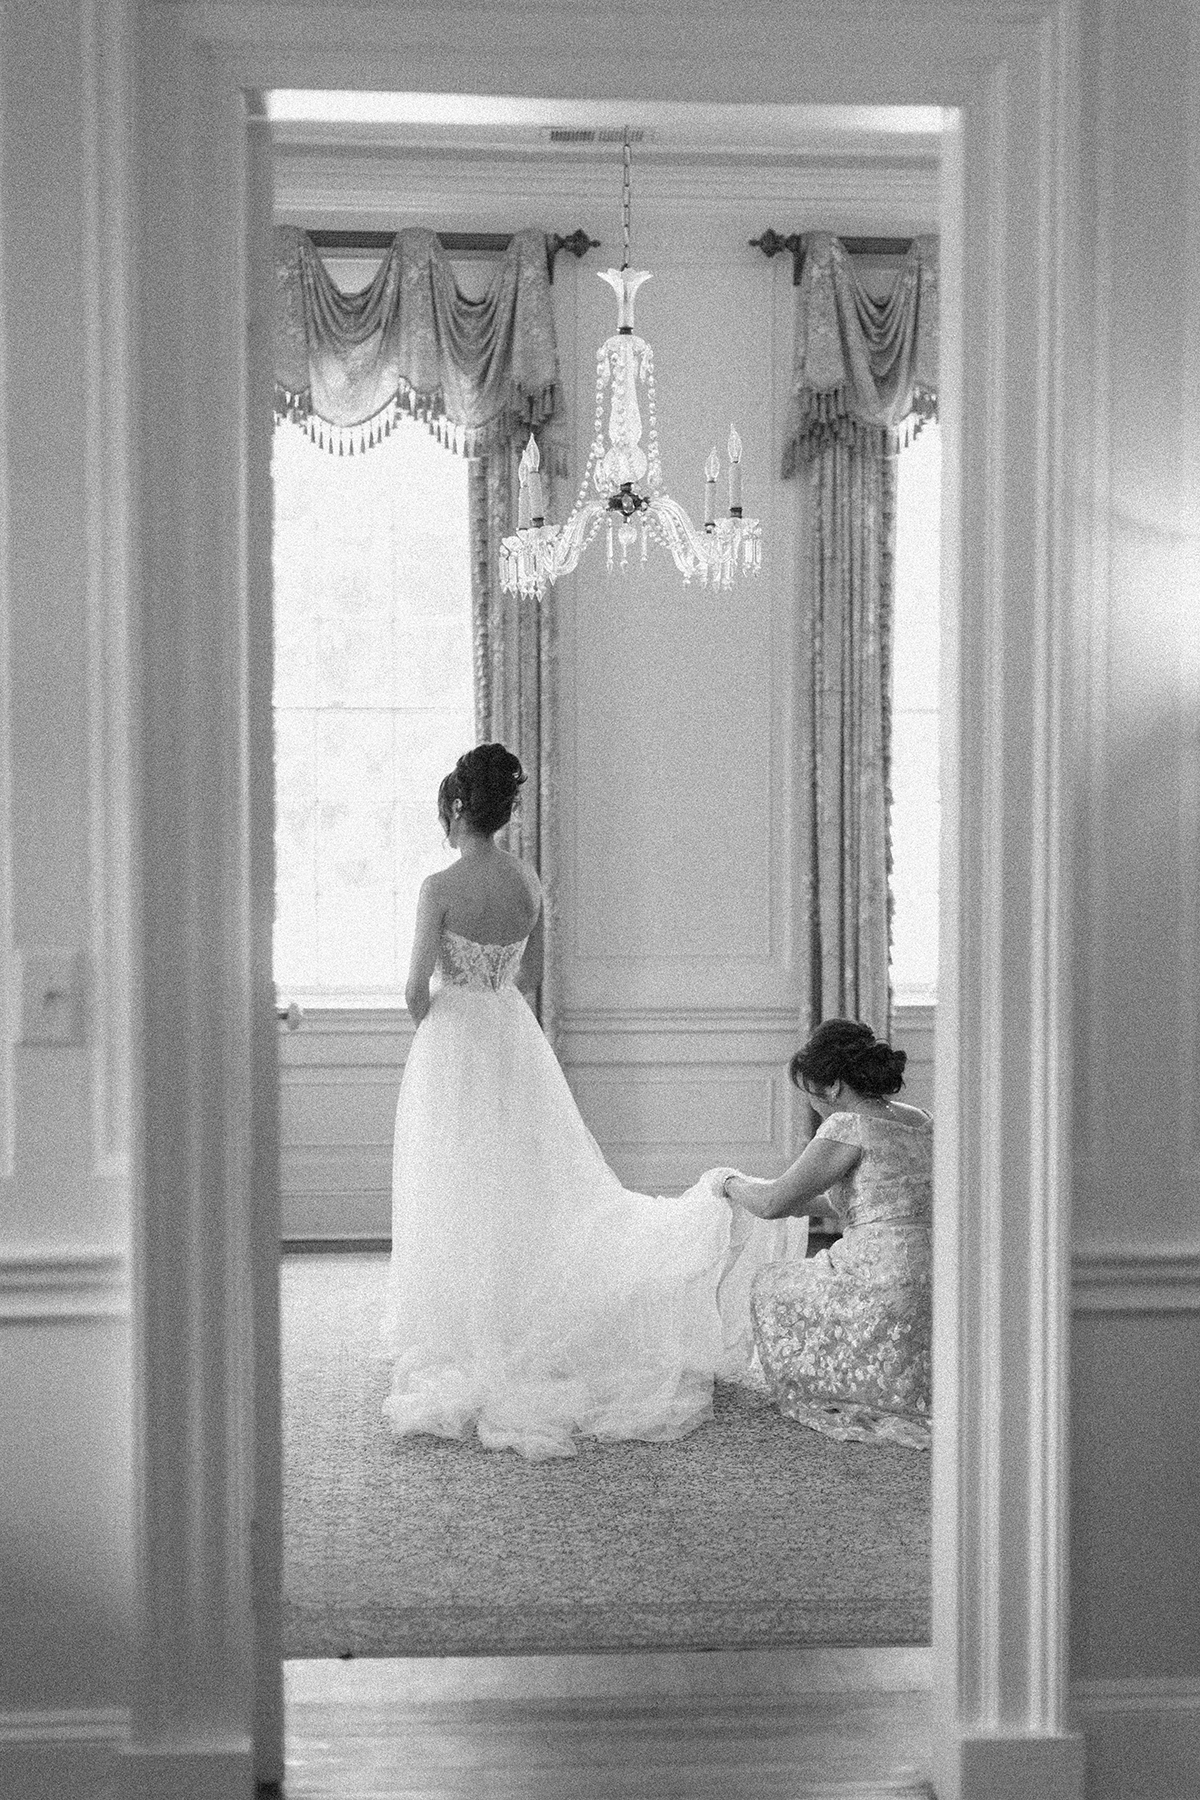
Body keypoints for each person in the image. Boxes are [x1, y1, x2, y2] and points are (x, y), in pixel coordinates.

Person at [380, 742, 799, 1462]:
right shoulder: (527, 881)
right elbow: (533, 974)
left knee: (453, 1176)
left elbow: (417, 990)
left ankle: (465, 1319)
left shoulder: (439, 886)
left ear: (457, 806)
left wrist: (443, 1023)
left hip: (455, 1037)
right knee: (527, 1176)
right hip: (511, 1032)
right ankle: (519, 1304)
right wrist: (491, 996)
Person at [720, 1019, 932, 1451]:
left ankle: (845, 1381)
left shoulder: (846, 1125)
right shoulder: (922, 1121)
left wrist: (727, 1183)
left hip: (879, 1277)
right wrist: (800, 1201)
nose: (813, 1104)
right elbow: (879, 1202)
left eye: (811, 1093)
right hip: (935, 1276)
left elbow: (771, 1204)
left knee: (768, 1283)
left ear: (833, 1085)